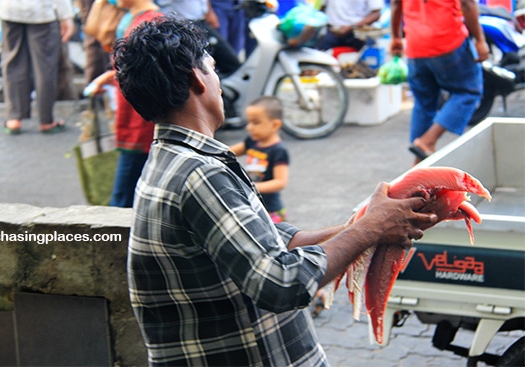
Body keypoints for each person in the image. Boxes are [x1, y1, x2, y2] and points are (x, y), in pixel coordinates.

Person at [115, 15, 437, 365]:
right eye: (212, 67)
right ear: (197, 79)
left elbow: (269, 245)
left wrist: (368, 226)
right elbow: (280, 281)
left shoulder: (176, 159)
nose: (219, 81)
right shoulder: (198, 173)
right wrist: (369, 228)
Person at [390, 0, 489, 165]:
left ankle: (418, 164)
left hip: (416, 45)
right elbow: (467, 3)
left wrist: (395, 37)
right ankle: (428, 141)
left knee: (423, 104)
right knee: (468, 91)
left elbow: (395, 4)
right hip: (447, 41)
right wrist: (480, 39)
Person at [86, 0, 162, 207]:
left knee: (122, 199)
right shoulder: (134, 18)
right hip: (133, 118)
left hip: (139, 122)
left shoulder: (150, 22)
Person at [0, 0, 75, 135]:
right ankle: (46, 120)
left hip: (10, 10)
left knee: (13, 62)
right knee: (45, 66)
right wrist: (66, 15)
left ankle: (14, 118)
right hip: (42, 12)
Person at [229, 96, 289, 224]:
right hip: (252, 205)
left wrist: (252, 186)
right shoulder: (252, 142)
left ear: (275, 125)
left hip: (271, 210)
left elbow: (280, 182)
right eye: (249, 122)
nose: (249, 128)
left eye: (256, 122)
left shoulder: (278, 151)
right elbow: (227, 152)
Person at [156, 0, 241, 75]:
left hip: (201, 21)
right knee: (198, 69)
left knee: (231, 63)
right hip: (181, 26)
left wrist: (209, 12)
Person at [315, 0, 384, 52]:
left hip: (357, 35)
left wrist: (352, 27)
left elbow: (376, 14)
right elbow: (321, 8)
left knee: (356, 66)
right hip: (332, 32)